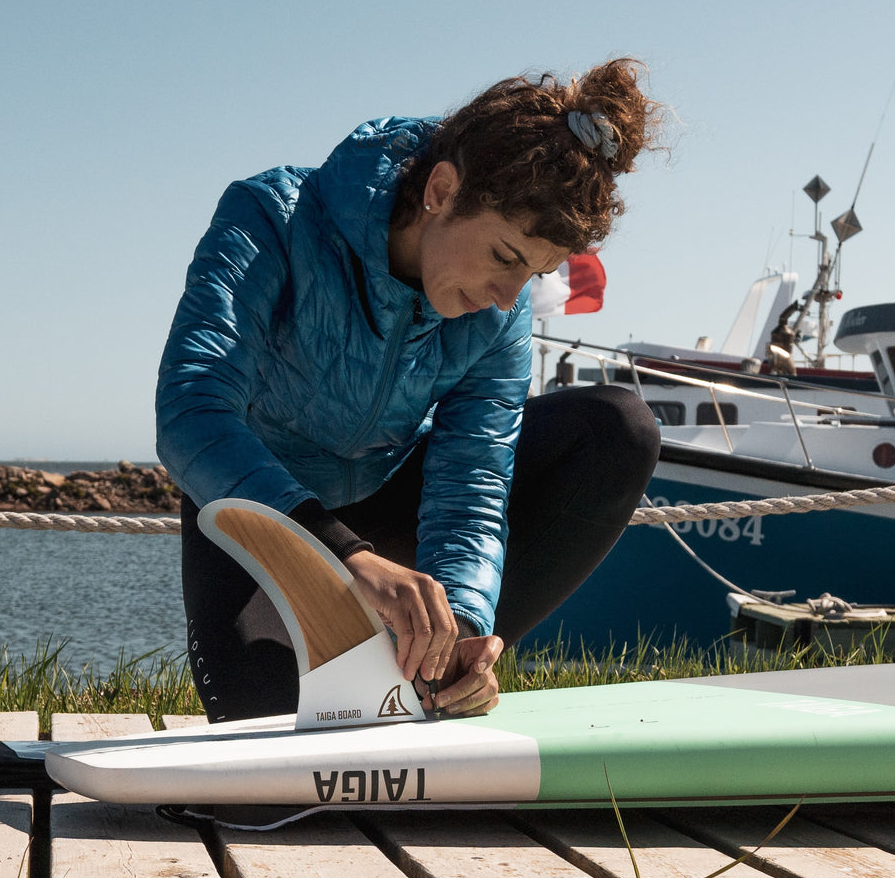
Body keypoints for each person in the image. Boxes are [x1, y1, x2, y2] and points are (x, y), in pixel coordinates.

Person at [157, 59, 664, 729]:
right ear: (441, 191)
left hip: (393, 500)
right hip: (262, 514)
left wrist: (465, 621)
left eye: (534, 274)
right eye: (505, 257)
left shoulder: (500, 313)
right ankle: (380, 664)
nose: (507, 297)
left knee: (618, 428)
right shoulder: (271, 215)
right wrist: (347, 556)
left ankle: (434, 672)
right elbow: (191, 409)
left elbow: (472, 477)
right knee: (269, 728)